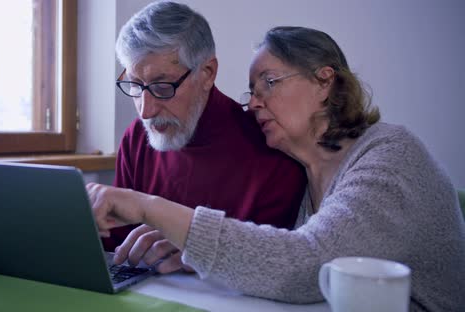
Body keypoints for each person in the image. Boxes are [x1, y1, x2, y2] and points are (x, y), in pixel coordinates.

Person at [88, 26, 465, 312]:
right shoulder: (300, 179)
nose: (253, 103)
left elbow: (306, 265)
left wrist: (146, 206)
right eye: (251, 90)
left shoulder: (392, 155)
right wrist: (190, 253)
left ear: (325, 81)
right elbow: (269, 255)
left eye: (269, 82)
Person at [104, 1, 307, 274]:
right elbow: (114, 249)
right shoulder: (137, 140)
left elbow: (273, 269)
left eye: (163, 86)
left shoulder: (271, 151)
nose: (146, 110)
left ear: (207, 73)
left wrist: (196, 246)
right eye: (135, 85)